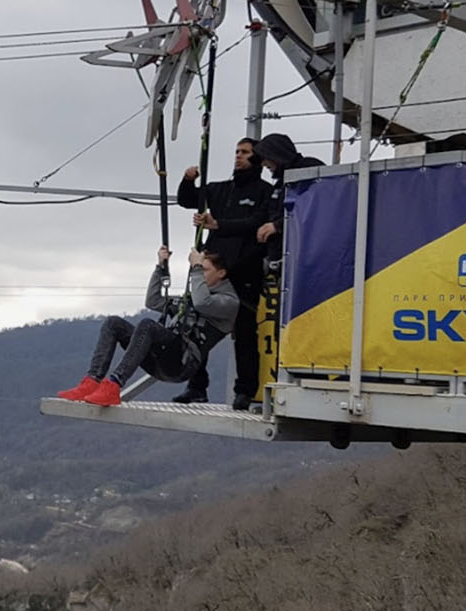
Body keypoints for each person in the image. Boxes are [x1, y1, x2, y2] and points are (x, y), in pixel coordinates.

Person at [58, 247, 240, 409]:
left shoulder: (229, 302)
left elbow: (202, 303)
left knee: (147, 326)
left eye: (206, 270)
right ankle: (92, 381)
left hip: (182, 363)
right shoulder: (193, 298)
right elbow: (153, 301)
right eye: (200, 270)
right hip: (163, 357)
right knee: (113, 323)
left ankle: (114, 384)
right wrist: (160, 268)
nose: (200, 274)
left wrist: (196, 268)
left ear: (221, 273)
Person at [175, 138, 271, 408]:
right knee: (197, 325)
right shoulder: (221, 189)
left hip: (245, 271)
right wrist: (188, 179)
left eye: (245, 153)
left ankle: (245, 390)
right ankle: (196, 385)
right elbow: (186, 199)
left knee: (244, 332)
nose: (239, 157)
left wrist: (218, 224)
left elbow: (255, 224)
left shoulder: (265, 192)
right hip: (214, 270)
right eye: (237, 152)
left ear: (257, 158)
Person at [251, 133, 326, 267]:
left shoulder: (309, 167)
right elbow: (261, 215)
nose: (263, 163)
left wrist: (277, 226)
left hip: (305, 258)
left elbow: (314, 208)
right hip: (281, 260)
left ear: (276, 153)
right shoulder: (279, 184)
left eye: (265, 157)